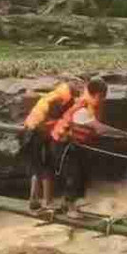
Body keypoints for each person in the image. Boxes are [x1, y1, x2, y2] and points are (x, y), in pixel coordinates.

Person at [20, 77, 109, 217]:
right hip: (37, 130)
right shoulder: (65, 97)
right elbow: (57, 115)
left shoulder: (58, 93)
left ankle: (37, 202)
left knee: (40, 168)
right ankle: (43, 203)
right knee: (43, 168)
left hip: (33, 128)